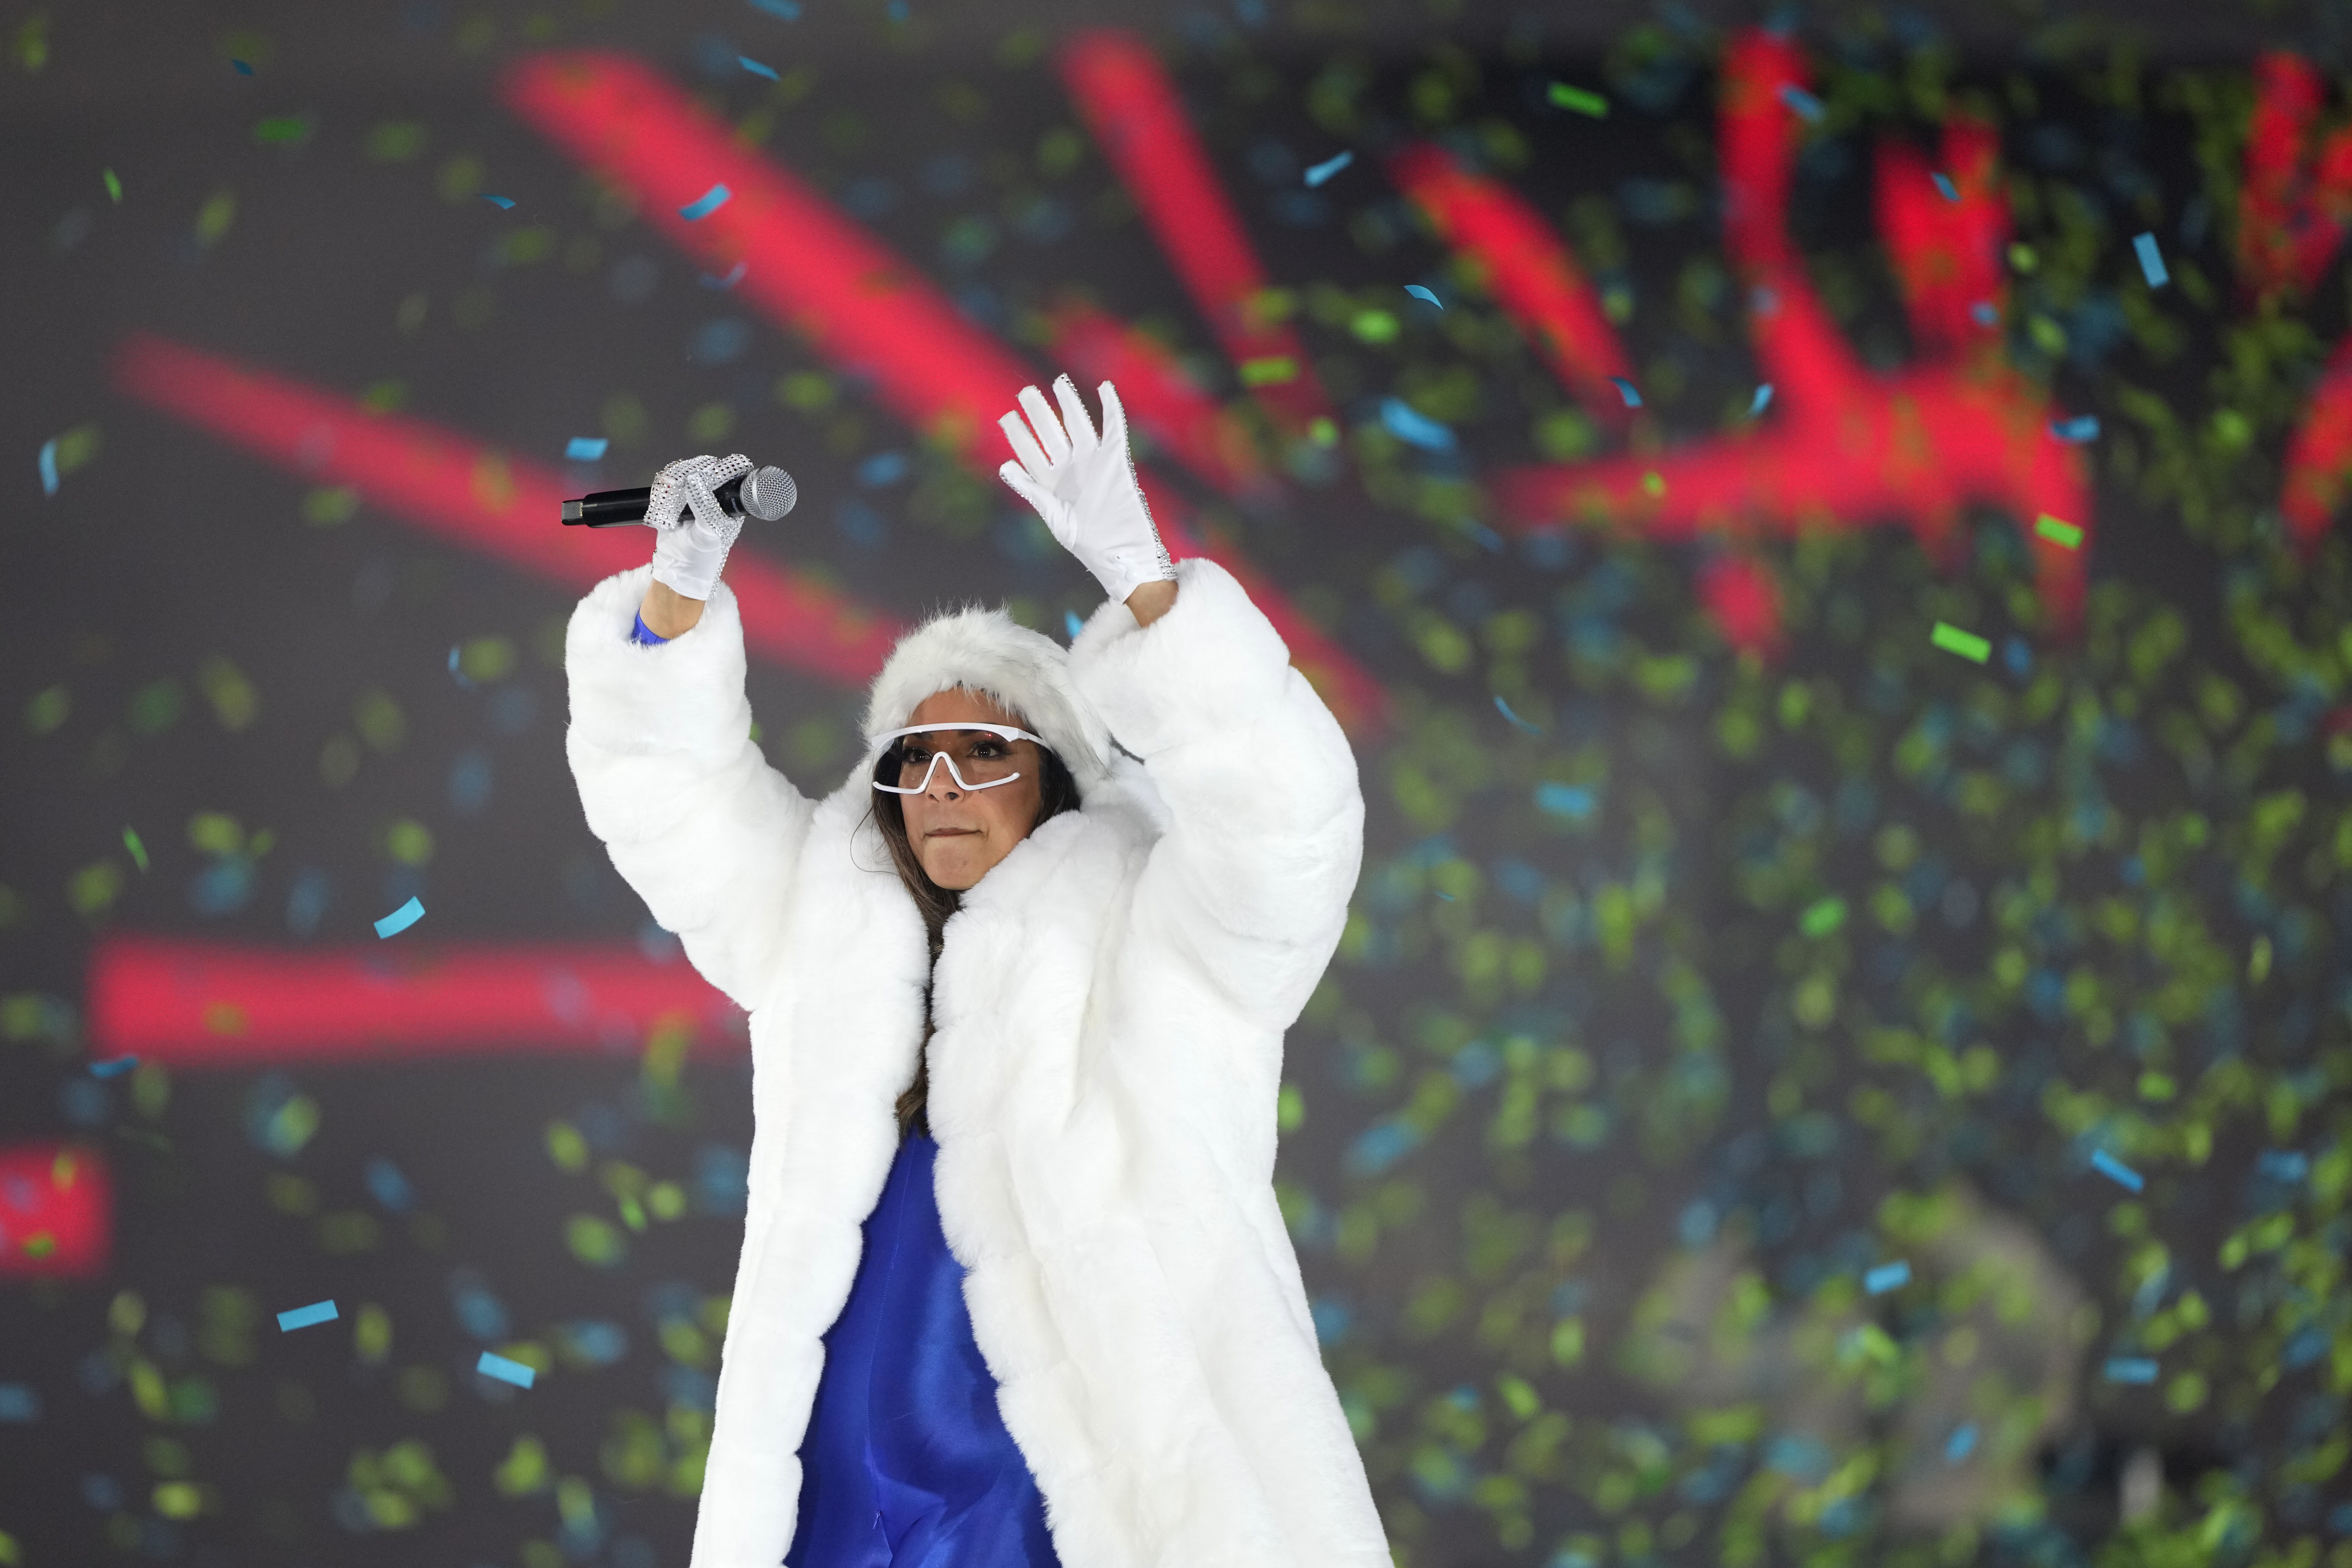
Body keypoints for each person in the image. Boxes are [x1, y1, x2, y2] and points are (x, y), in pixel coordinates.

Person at [564, 376, 1389, 1568]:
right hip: (844, 1504)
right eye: (916, 757)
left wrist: (1146, 583)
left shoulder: (1162, 926)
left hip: (1090, 1497)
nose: (942, 780)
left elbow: (1289, 829)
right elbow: (669, 804)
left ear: (1054, 775)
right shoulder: (821, 916)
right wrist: (674, 601)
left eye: (984, 751)